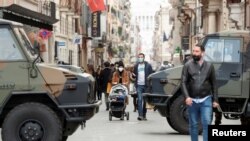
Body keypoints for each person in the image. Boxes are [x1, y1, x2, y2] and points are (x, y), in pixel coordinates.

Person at [181, 44, 219, 141]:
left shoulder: (209, 66)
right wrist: (187, 97)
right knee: (193, 125)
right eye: (193, 51)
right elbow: (183, 82)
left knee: (206, 123)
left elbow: (214, 83)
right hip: (192, 100)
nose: (194, 53)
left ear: (203, 53)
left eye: (197, 51)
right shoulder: (187, 65)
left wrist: (215, 100)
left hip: (206, 99)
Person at [133, 53, 153, 121]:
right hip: (139, 85)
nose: (140, 58)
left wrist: (150, 85)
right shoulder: (136, 66)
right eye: (139, 57)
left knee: (145, 101)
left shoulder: (148, 66)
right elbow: (134, 75)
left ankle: (144, 115)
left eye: (141, 57)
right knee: (139, 100)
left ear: (144, 58)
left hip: (146, 86)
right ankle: (140, 115)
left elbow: (151, 75)